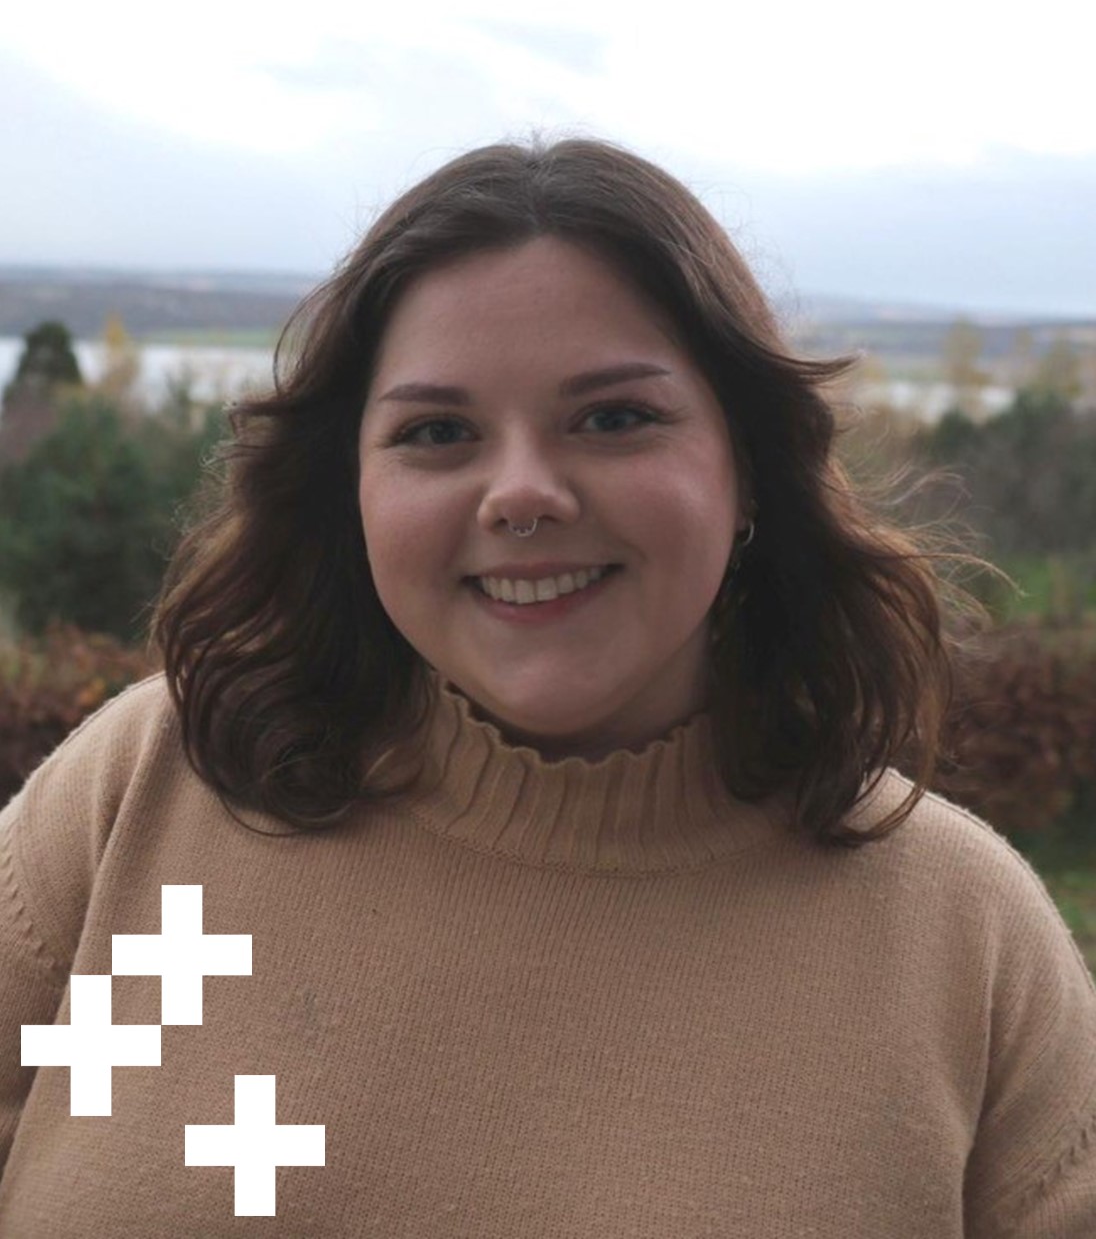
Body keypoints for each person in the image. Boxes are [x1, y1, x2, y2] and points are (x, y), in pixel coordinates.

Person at [1, 136, 1093, 1237]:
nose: (520, 493)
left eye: (614, 418)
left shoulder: (960, 945)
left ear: (748, 466)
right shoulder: (149, 795)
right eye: (438, 433)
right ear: (354, 492)